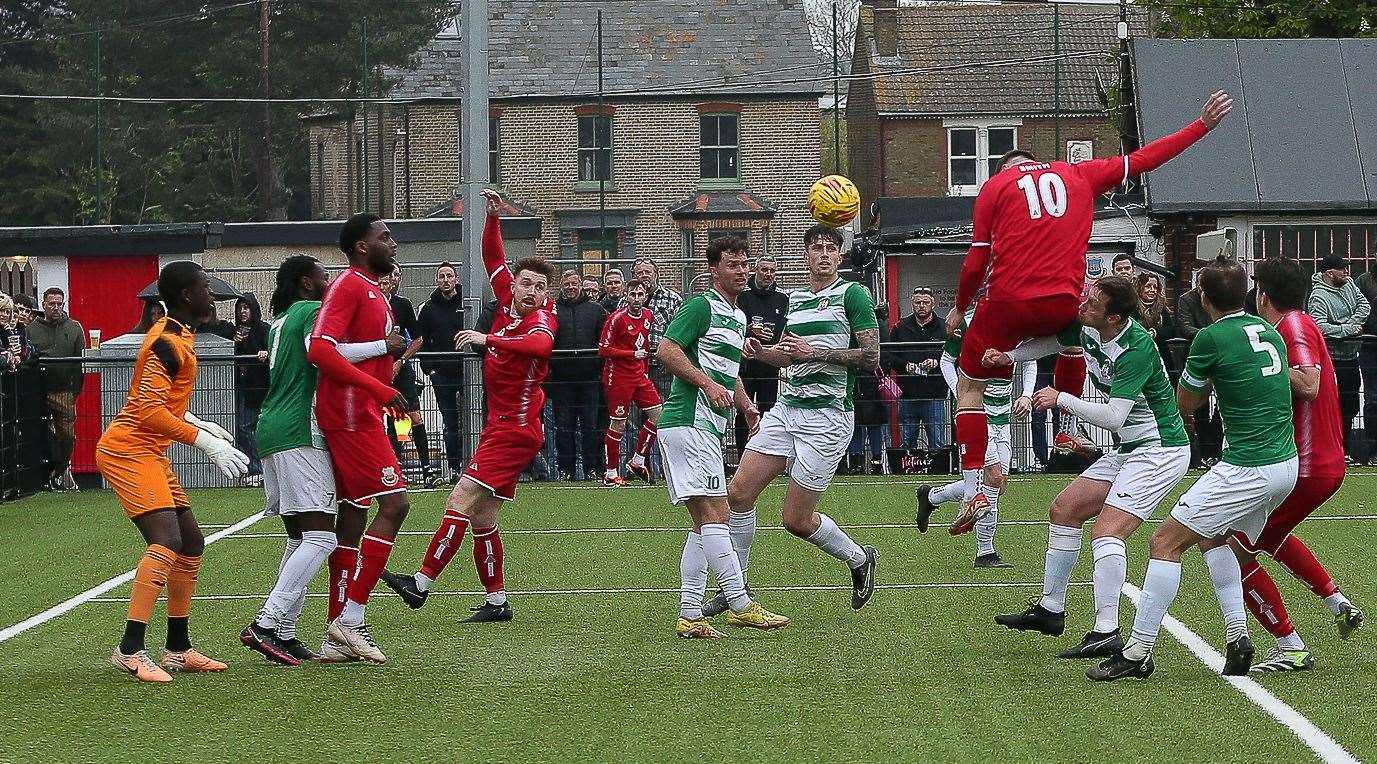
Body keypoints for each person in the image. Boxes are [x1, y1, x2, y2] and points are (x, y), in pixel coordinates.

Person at [951, 91, 1232, 533]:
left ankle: (973, 489)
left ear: (1008, 170)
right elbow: (1143, 160)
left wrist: (959, 308)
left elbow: (975, 261)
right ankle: (1066, 429)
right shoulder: (1077, 174)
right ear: (1039, 162)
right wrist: (1200, 127)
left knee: (971, 388)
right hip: (1064, 301)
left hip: (1006, 302)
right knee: (1074, 343)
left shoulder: (995, 187)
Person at [1089, 256, 1296, 681]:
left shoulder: (1209, 337)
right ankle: (1238, 637)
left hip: (1248, 466)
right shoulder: (1270, 334)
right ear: (1249, 296)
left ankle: (1138, 651)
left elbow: (1186, 404)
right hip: (1284, 464)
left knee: (1164, 542)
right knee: (1213, 537)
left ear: (1203, 296)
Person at [988, 276, 1192, 658]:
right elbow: (1057, 341)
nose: (1084, 305)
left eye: (1093, 303)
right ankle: (1051, 610)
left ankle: (1106, 630)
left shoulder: (1135, 349)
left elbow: (1115, 417)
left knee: (1106, 533)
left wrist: (1060, 398)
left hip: (1159, 450)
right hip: (1132, 448)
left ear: (1114, 317)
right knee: (1064, 509)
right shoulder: (1090, 327)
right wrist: (1008, 357)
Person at [381, 189, 558, 623]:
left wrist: (487, 338)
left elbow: (540, 344)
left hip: (515, 431)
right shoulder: (505, 302)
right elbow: (492, 259)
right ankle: (497, 602)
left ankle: (420, 583)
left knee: (460, 497)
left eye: (541, 287)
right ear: (515, 286)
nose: (532, 292)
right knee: (482, 515)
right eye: (527, 284)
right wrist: (493, 219)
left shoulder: (540, 320)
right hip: (501, 427)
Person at [704, 225, 880, 620]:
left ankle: (859, 558)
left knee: (795, 521)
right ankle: (737, 588)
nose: (822, 254)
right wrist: (759, 352)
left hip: (828, 417)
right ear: (805, 256)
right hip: (787, 409)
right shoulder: (796, 299)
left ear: (839, 256)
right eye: (815, 248)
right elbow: (789, 357)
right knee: (739, 494)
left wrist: (814, 351)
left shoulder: (853, 294)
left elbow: (871, 356)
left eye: (830, 249)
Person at [96, 261, 250, 683]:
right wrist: (204, 442)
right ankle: (129, 649)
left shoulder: (182, 336)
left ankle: (178, 649)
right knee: (166, 541)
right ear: (186, 296)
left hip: (149, 450)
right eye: (205, 289)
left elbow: (162, 403)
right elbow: (146, 412)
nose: (213, 297)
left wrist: (198, 422)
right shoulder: (165, 341)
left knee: (191, 543)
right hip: (128, 451)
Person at [1231, 257, 1364, 671]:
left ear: (1263, 294)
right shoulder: (1295, 324)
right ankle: (1337, 602)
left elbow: (1308, 382)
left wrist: (1260, 366)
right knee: (1268, 534)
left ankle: (1289, 644)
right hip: (1318, 463)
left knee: (1230, 546)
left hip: (1307, 464)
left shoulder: (1291, 326)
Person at [657, 235, 789, 638]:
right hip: (688, 421)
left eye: (744, 263)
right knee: (718, 516)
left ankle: (690, 614)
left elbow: (727, 372)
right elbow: (665, 350)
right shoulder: (700, 305)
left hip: (707, 428)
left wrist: (746, 405)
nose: (741, 270)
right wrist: (705, 385)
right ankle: (741, 603)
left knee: (705, 522)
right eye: (732, 264)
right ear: (714, 269)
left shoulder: (736, 316)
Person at [306, 213, 412, 663]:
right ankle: (350, 618)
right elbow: (319, 348)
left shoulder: (373, 290)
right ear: (363, 246)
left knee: (353, 515)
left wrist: (387, 369)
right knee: (396, 504)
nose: (393, 242)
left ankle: (336, 636)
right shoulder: (349, 284)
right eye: (384, 237)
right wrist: (379, 384)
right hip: (351, 416)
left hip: (363, 411)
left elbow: (351, 350)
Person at [241, 255, 345, 666]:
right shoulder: (310, 311)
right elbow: (322, 355)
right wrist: (380, 351)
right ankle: (266, 624)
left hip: (272, 427)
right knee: (322, 536)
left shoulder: (280, 320)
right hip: (299, 428)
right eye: (323, 275)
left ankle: (284, 633)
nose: (329, 280)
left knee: (300, 537)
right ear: (307, 283)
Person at [916, 303, 1036, 567]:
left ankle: (932, 497)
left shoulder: (1020, 321)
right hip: (977, 415)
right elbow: (946, 362)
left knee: (998, 484)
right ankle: (985, 552)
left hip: (1004, 415)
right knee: (992, 478)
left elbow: (1029, 361)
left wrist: (1026, 394)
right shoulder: (968, 323)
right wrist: (963, 393)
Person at [382, 264, 441, 488]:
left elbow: (417, 339)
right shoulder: (370, 304)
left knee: (412, 417)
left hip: (401, 369)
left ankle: (427, 470)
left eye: (392, 277)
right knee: (387, 419)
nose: (387, 282)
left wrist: (402, 360)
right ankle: (393, 470)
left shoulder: (402, 305)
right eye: (384, 278)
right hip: (377, 371)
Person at [599, 278, 662, 485]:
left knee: (659, 416)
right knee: (618, 423)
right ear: (626, 296)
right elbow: (604, 349)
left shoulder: (648, 315)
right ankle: (610, 473)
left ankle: (637, 460)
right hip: (618, 377)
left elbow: (645, 346)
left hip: (639, 376)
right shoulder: (616, 318)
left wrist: (642, 367)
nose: (636, 298)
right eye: (632, 294)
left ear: (646, 296)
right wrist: (631, 354)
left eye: (640, 294)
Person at [1307, 254, 1368, 460]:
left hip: (1351, 356)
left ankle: (1345, 449)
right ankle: (1330, 449)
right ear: (1329, 273)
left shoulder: (1350, 284)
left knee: (1350, 405)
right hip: (1331, 360)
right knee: (1332, 407)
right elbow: (1320, 326)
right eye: (1342, 269)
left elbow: (1364, 306)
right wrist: (1348, 329)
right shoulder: (1318, 296)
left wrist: (1351, 324)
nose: (1346, 272)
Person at [549, 270, 606, 480]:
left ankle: (593, 468)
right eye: (567, 284)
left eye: (574, 283)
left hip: (590, 379)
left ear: (580, 284)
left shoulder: (596, 310)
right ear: (561, 286)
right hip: (562, 380)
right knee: (564, 427)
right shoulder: (552, 310)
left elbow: (604, 342)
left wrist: (598, 366)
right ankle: (566, 470)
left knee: (591, 427)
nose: (571, 288)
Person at [28, 286, 85, 491]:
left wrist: (74, 392)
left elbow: (80, 364)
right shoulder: (30, 329)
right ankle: (39, 477)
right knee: (35, 434)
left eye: (59, 303)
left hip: (64, 390)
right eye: (51, 303)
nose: (56, 307)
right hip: (37, 392)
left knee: (67, 435)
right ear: (43, 304)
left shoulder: (74, 328)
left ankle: (59, 472)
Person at [417, 261, 467, 481]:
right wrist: (430, 369)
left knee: (475, 419)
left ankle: (475, 466)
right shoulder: (428, 309)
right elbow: (422, 340)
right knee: (450, 422)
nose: (446, 280)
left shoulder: (467, 303)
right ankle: (455, 468)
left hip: (468, 372)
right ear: (437, 281)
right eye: (441, 277)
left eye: (449, 276)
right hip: (442, 375)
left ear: (456, 278)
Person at [735, 256, 788, 459]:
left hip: (770, 364)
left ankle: (765, 456)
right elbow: (734, 324)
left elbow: (786, 327)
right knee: (744, 411)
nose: (768, 274)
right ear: (755, 270)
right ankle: (741, 457)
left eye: (772, 271)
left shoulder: (782, 298)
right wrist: (750, 331)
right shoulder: (743, 295)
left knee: (768, 412)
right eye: (764, 270)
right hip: (746, 364)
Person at [888, 287, 948, 450]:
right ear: (912, 304)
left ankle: (939, 472)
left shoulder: (944, 328)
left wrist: (937, 362)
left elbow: (956, 357)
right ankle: (908, 472)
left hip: (935, 393)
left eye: (925, 302)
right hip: (908, 393)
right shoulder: (900, 327)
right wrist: (905, 366)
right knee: (907, 443)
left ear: (932, 304)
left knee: (937, 442)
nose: (922, 305)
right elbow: (889, 356)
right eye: (918, 302)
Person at [1176, 270, 1222, 466]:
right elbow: (1185, 326)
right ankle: (1205, 452)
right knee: (1199, 408)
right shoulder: (1186, 300)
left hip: (1220, 354)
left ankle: (1216, 450)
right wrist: (1211, 335)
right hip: (1198, 354)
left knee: (1221, 406)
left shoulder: (1218, 297)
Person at [232, 293, 270, 487]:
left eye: (246, 308)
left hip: (258, 387)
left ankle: (258, 469)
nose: (242, 312)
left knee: (247, 427)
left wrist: (266, 353)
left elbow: (272, 350)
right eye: (240, 308)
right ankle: (256, 468)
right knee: (244, 428)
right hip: (240, 386)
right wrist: (234, 342)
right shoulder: (234, 331)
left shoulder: (264, 330)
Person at [633, 257, 684, 397]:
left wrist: (671, 360)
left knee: (661, 411)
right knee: (633, 414)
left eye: (648, 272)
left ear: (656, 274)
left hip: (660, 366)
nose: (644, 275)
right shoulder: (625, 301)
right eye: (640, 273)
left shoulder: (673, 299)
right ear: (634, 276)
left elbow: (680, 333)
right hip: (633, 365)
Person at [1355, 263, 1377, 464]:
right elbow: (1358, 307)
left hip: (1369, 343)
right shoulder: (1363, 281)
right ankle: (1372, 451)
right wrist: (1357, 326)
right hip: (1370, 345)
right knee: (1373, 399)